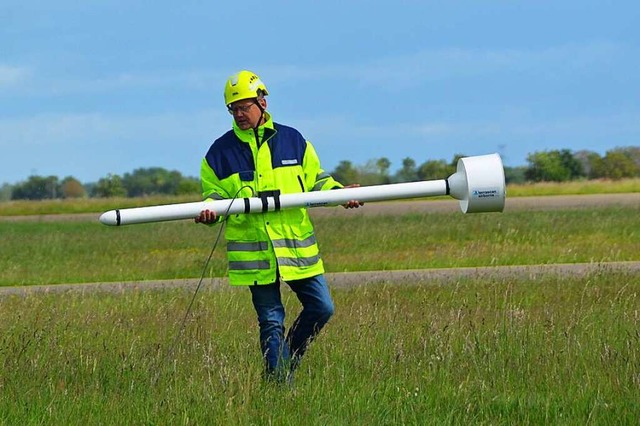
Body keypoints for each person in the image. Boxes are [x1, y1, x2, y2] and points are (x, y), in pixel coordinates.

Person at [195, 70, 362, 384]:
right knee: (271, 321)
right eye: (234, 109)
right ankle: (277, 384)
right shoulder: (219, 153)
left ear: (262, 100)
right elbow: (214, 195)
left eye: (245, 106)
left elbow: (317, 181)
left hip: (295, 248)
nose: (240, 114)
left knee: (322, 307)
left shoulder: (292, 140)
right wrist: (211, 213)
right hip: (256, 254)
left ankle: (283, 364)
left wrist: (341, 194)